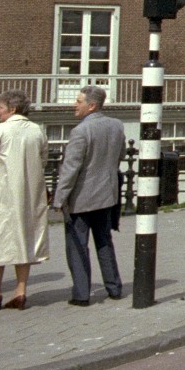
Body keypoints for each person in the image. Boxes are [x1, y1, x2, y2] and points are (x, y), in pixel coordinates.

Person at [51, 86, 125, 306]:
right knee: (104, 241)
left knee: (77, 245)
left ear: (91, 105)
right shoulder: (116, 126)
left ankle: (82, 294)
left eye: (78, 101)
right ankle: (114, 287)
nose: (75, 104)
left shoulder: (80, 132)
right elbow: (119, 156)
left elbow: (70, 169)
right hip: (106, 195)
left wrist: (59, 199)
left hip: (81, 199)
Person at [0, 90, 49, 311]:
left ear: (12, 109)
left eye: (1, 107)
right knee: (25, 240)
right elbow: (43, 160)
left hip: (0, 195)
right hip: (30, 196)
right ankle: (21, 290)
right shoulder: (37, 131)